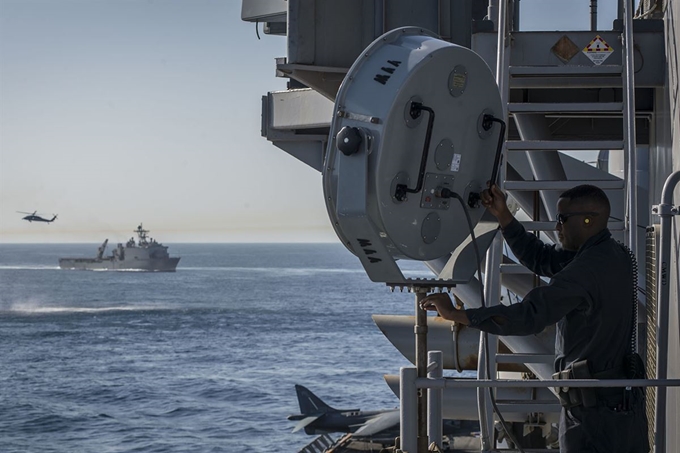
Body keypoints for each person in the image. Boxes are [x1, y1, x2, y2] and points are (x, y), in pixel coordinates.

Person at [420, 184, 648, 453]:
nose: (556, 227)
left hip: (595, 418)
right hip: (613, 407)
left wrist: (458, 315)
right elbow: (542, 258)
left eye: (562, 219)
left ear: (589, 220)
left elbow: (529, 316)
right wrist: (504, 216)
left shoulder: (588, 269)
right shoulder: (610, 255)